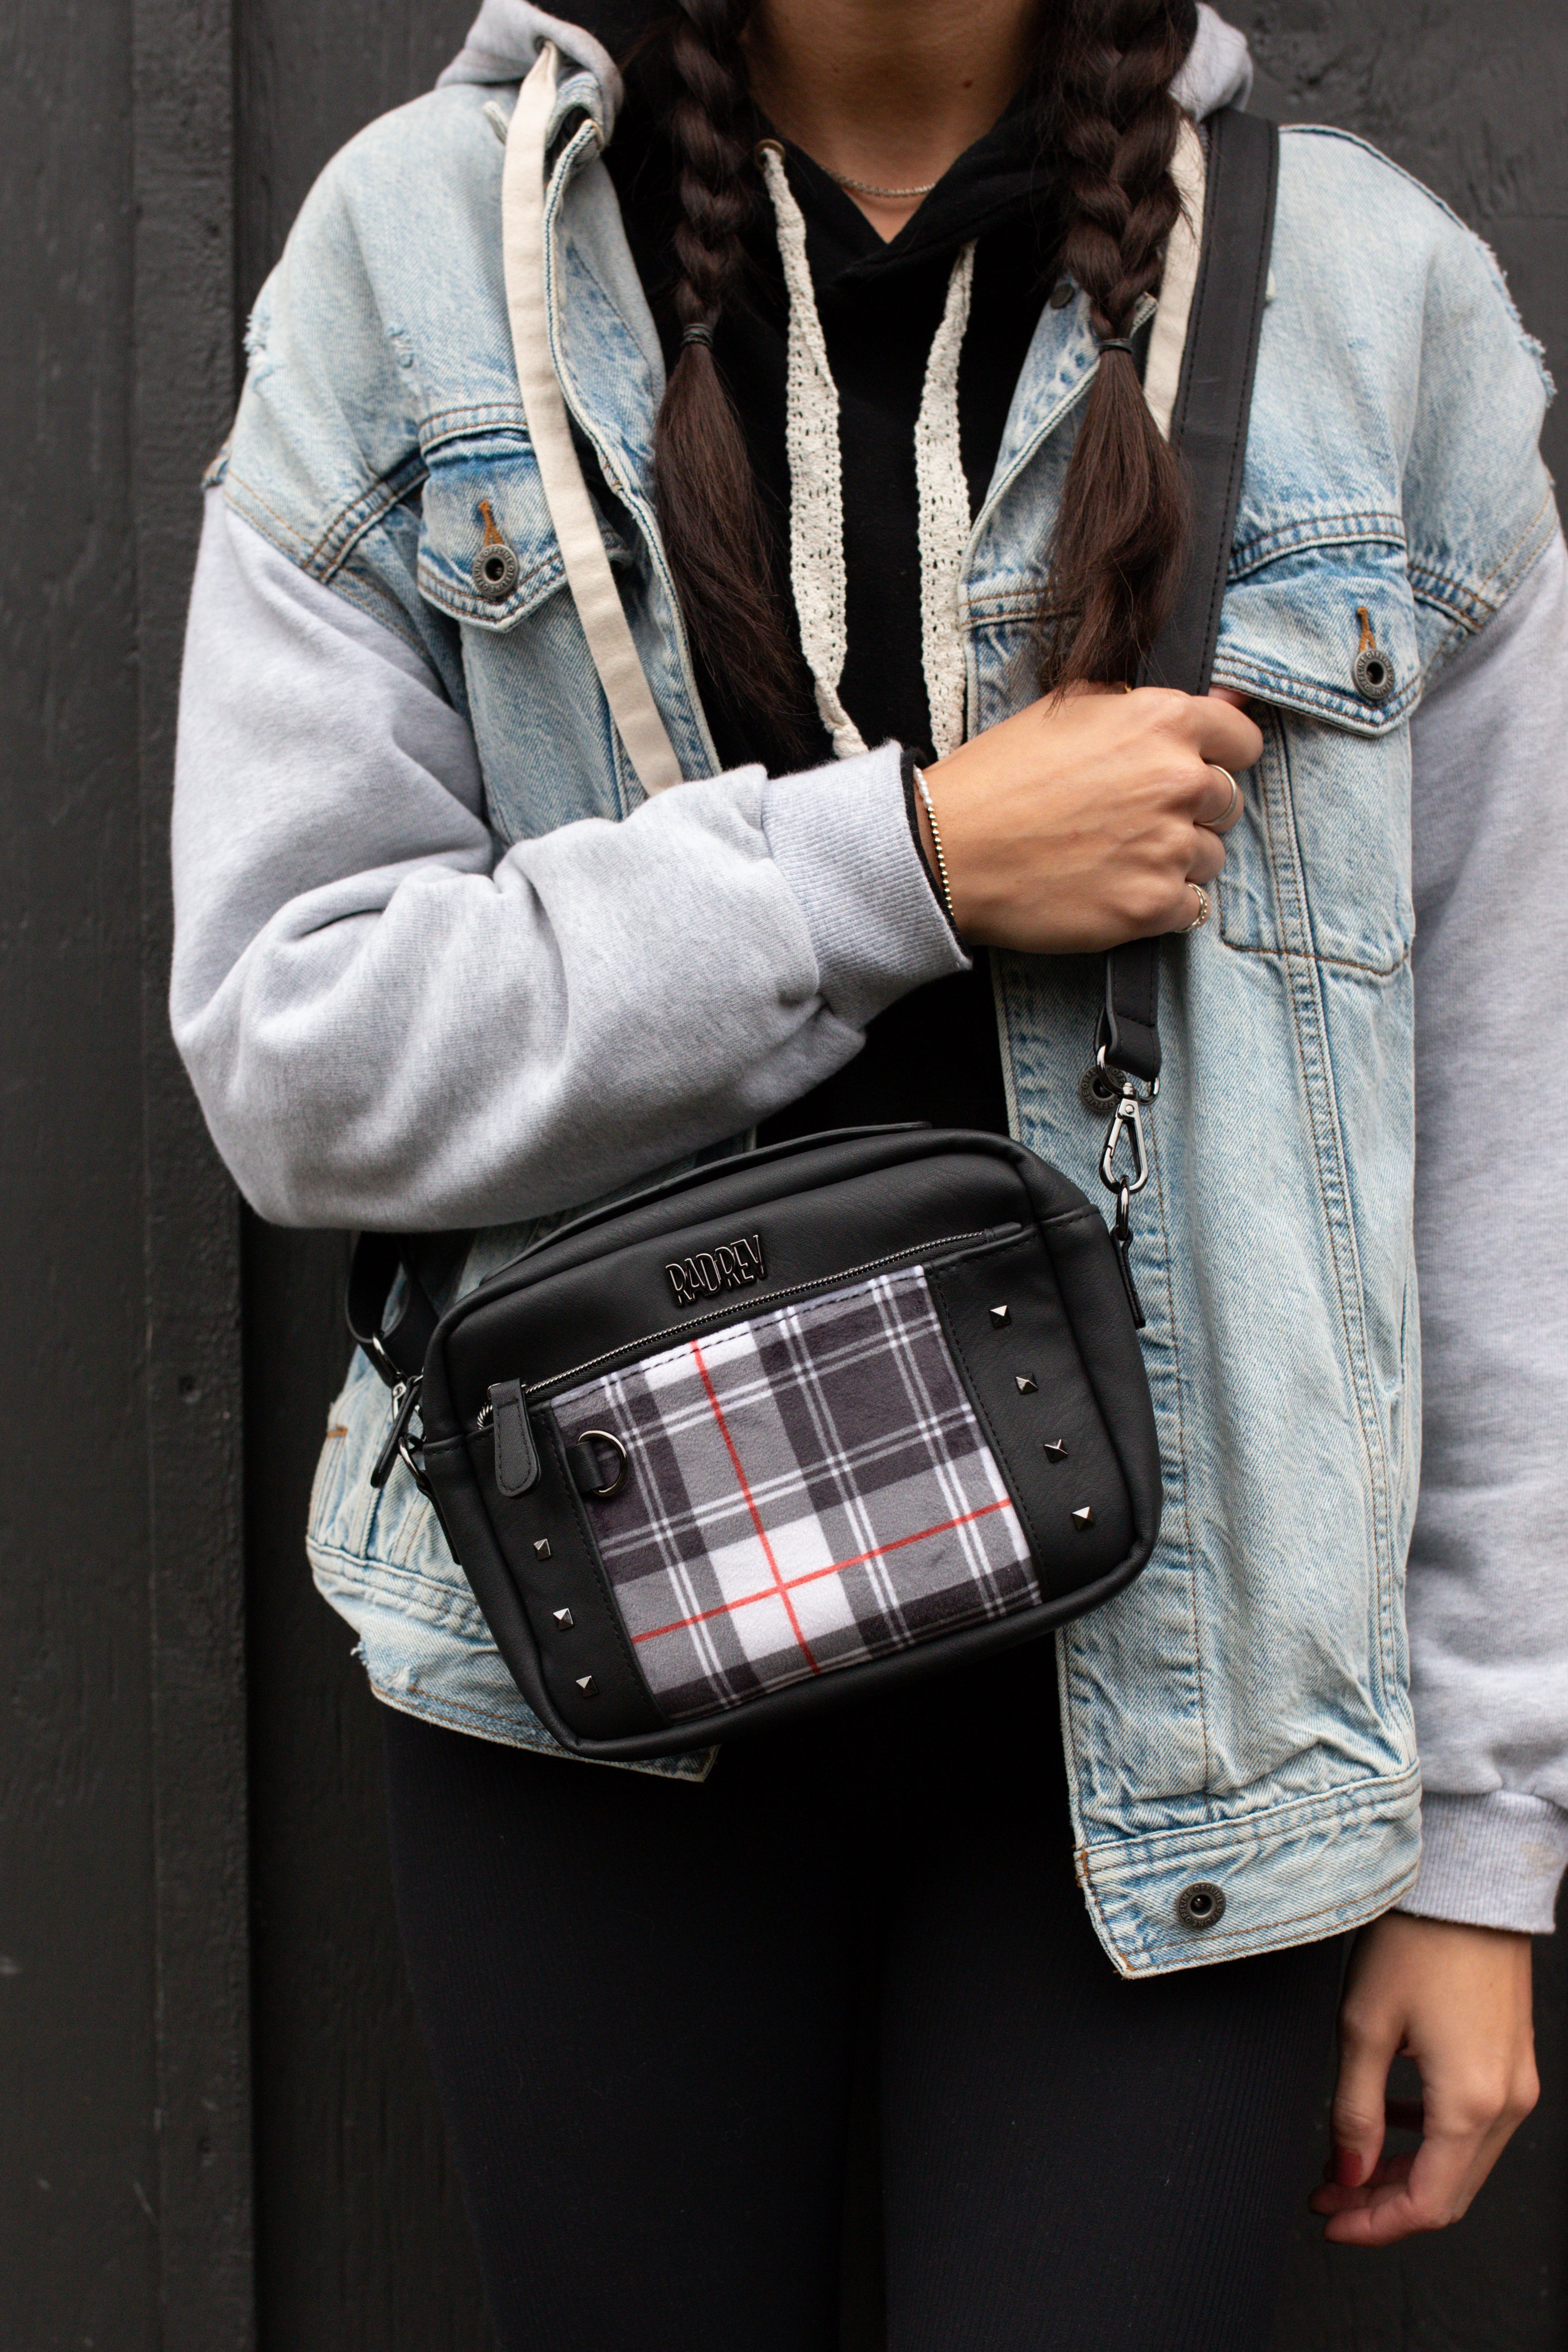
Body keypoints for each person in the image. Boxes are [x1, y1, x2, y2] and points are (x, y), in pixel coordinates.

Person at [170, 2, 1567, 2344]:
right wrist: (902, 862)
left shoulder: (1372, 303)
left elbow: (1505, 1138)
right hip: (595, 1682)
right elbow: (297, 1050)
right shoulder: (416, 265)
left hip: (1192, 1729)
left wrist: (1490, 1835)